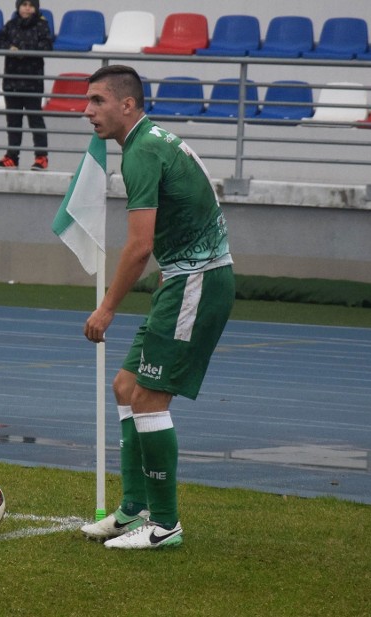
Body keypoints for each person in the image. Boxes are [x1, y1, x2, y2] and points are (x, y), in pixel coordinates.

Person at [79, 65, 235, 549]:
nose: (88, 112)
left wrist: (106, 309)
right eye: (88, 102)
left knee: (149, 398)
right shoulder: (155, 140)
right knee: (126, 386)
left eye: (98, 101)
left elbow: (138, 246)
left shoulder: (142, 151)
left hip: (196, 281)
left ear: (128, 104)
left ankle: (164, 524)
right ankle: (133, 511)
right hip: (186, 276)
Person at [0, 0, 52, 171]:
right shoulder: (11, 25)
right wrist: (9, 48)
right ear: (18, 7)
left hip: (33, 82)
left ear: (36, 8)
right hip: (12, 82)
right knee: (13, 121)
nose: (27, 8)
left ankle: (41, 157)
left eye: (31, 5)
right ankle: (11, 157)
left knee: (35, 120)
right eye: (24, 4)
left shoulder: (42, 25)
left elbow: (47, 46)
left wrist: (23, 50)